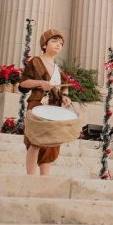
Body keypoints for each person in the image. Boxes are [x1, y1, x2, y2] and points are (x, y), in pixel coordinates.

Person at [19, 29, 72, 176]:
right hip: (38, 104)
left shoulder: (58, 69)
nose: (58, 45)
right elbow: (23, 83)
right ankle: (30, 177)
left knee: (51, 143)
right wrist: (40, 83)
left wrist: (66, 97)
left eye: (61, 43)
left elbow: (63, 89)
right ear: (44, 45)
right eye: (54, 41)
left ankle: (44, 179)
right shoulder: (35, 62)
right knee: (35, 140)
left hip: (54, 107)